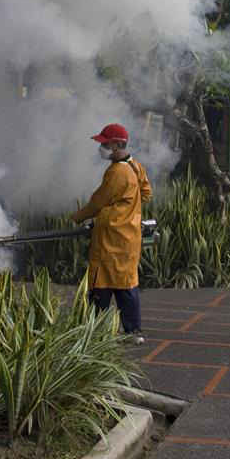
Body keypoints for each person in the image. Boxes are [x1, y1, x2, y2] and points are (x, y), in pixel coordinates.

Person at [70, 122, 152, 344]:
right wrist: (129, 210)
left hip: (110, 237)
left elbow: (98, 202)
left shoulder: (116, 172)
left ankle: (94, 331)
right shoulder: (135, 166)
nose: (102, 147)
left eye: (105, 143)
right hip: (129, 236)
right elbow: (145, 192)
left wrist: (76, 218)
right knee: (126, 283)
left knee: (101, 282)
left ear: (117, 144)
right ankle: (134, 331)